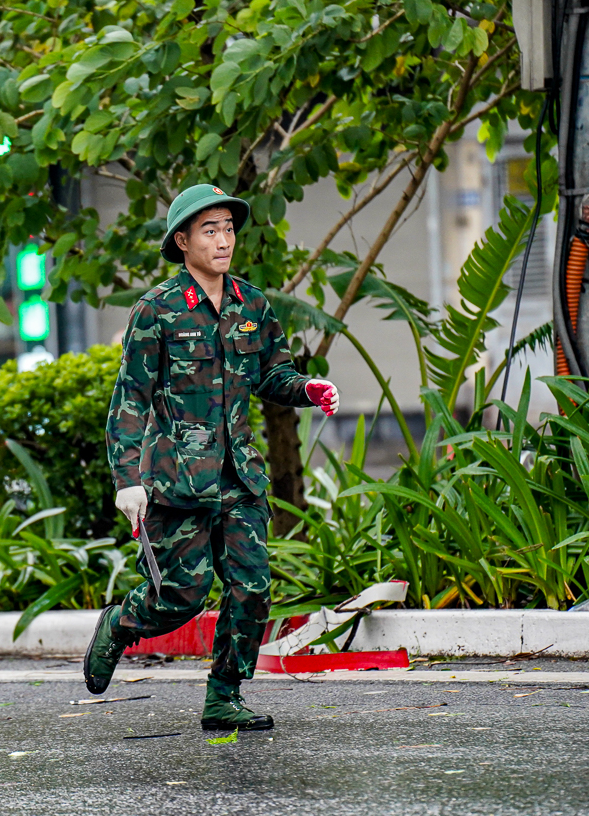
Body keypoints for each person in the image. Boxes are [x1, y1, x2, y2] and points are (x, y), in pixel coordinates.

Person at [87, 184, 340, 731]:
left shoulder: (252, 304)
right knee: (179, 597)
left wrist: (306, 389)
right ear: (182, 241)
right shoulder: (156, 310)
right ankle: (120, 624)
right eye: (210, 230)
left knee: (252, 587)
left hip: (238, 475)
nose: (224, 239)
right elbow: (130, 398)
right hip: (176, 478)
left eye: (228, 228)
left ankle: (224, 695)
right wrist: (125, 479)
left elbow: (273, 371)